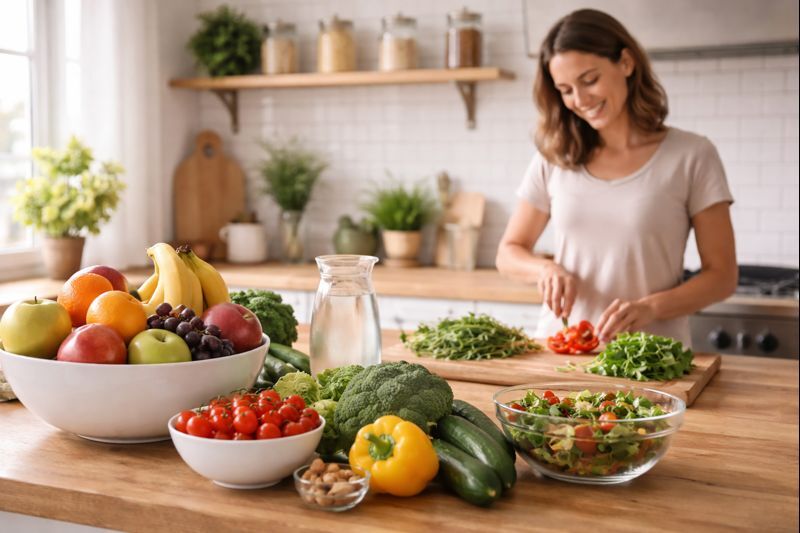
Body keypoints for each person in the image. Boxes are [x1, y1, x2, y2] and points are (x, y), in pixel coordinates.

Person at [496, 8, 737, 347]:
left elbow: (722, 276)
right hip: (562, 353)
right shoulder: (555, 157)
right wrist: (544, 270)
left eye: (589, 80)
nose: (580, 100)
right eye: (565, 89)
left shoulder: (692, 155)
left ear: (626, 63)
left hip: (651, 358)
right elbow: (508, 253)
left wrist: (651, 307)